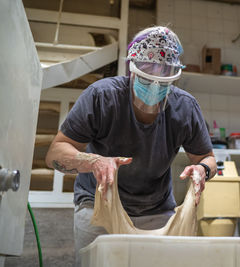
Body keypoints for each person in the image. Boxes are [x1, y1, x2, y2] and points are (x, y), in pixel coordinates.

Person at [45, 26, 216, 266]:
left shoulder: (185, 107)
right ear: (131, 71)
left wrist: (202, 170)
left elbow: (206, 157)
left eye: (163, 82)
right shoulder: (102, 97)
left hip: (156, 208)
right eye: (147, 79)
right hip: (99, 203)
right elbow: (56, 152)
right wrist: (93, 161)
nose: (155, 89)